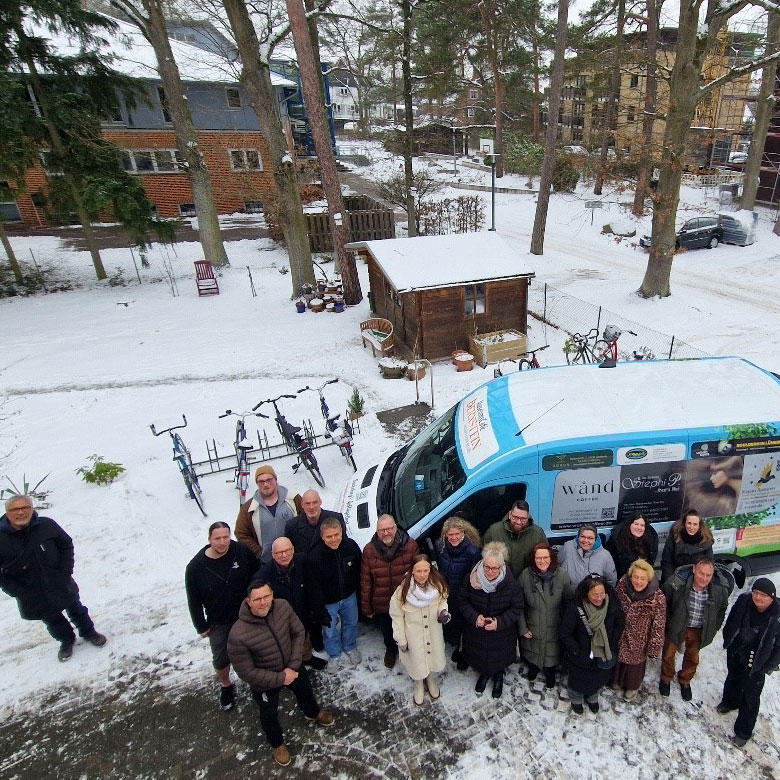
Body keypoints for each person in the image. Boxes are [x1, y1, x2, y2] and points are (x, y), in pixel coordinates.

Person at [227, 580, 335, 768]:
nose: (263, 602)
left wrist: (293, 666)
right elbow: (246, 672)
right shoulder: (237, 634)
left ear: (272, 595)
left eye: (267, 596)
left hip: (292, 666)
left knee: (306, 692)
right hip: (265, 682)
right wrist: (281, 678)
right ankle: (277, 744)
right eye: (258, 599)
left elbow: (298, 632)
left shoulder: (283, 607)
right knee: (268, 714)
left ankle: (313, 713)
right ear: (248, 601)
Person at [0, 495, 107, 662]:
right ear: (7, 513)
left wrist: (65, 571)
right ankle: (66, 640)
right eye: (15, 509)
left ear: (32, 509)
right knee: (52, 619)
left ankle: (89, 632)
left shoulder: (46, 525)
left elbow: (66, 545)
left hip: (59, 580)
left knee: (77, 609)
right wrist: (18, 591)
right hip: (30, 591)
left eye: (25, 507)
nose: (20, 512)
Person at [185, 521, 258, 710]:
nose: (222, 542)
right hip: (219, 619)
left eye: (226, 537)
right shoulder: (195, 567)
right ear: (209, 539)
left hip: (246, 613)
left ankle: (256, 681)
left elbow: (257, 575)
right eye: (217, 538)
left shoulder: (242, 551)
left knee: (254, 649)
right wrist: (200, 625)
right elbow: (193, 599)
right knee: (221, 657)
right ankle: (225, 684)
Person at [717, 578, 780, 747]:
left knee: (750, 696)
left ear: (772, 597)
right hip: (737, 650)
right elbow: (732, 620)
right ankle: (730, 702)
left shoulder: (777, 616)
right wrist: (729, 639)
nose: (758, 598)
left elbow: (779, 648)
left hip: (758, 661)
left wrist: (767, 666)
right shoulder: (744, 600)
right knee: (733, 678)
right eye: (756, 593)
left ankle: (743, 732)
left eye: (763, 595)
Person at [660, 557, 733, 700]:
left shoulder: (720, 589)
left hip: (698, 630)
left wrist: (714, 627)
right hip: (677, 625)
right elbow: (663, 601)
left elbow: (722, 609)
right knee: (668, 653)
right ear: (694, 569)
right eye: (701, 573)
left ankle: (685, 680)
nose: (704, 578)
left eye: (708, 575)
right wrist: (667, 622)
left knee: (692, 657)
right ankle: (666, 677)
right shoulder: (677, 582)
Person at [457, 541, 523, 698]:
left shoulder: (511, 584)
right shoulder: (471, 579)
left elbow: (517, 607)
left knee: (500, 656)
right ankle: (484, 674)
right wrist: (475, 617)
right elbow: (462, 601)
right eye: (487, 567)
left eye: (494, 568)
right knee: (479, 655)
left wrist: (499, 622)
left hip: (502, 632)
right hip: (477, 630)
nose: (490, 571)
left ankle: (499, 675)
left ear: (501, 567)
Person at [257, 537, 326, 670]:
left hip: (301, 609)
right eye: (279, 553)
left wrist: (318, 610)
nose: (284, 555)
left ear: (293, 550)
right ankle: (291, 665)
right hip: (279, 617)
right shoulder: (263, 576)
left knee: (303, 635)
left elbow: (313, 586)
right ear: (272, 555)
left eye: (287, 550)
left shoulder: (302, 561)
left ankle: (306, 657)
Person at [390, 555, 451, 705]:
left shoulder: (437, 586)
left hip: (433, 632)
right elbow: (396, 616)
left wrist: (443, 611)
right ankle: (418, 683)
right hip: (414, 635)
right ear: (412, 571)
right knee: (417, 661)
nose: (422, 575)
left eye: (426, 570)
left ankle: (430, 678)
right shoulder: (403, 591)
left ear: (430, 570)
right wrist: (401, 639)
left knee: (431, 657)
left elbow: (443, 601)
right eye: (418, 571)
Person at [559, 575, 625, 714]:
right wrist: (576, 650)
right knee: (578, 679)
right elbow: (565, 632)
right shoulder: (576, 608)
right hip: (581, 654)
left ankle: (592, 695)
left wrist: (610, 643)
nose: (599, 598)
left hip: (602, 653)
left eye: (602, 593)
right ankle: (576, 698)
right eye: (595, 594)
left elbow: (619, 624)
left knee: (597, 678)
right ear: (586, 593)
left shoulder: (612, 606)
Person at [360, 514, 419, 669]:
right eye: (382, 530)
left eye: (389, 529)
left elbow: (418, 574)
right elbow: (366, 581)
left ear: (395, 528)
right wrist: (367, 607)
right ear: (377, 531)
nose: (386, 533)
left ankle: (410, 652)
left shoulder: (411, 546)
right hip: (382, 601)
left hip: (405, 600)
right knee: (387, 630)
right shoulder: (369, 550)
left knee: (408, 629)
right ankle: (391, 650)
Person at [305, 518, 362, 666]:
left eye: (336, 534)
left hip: (349, 596)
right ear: (322, 536)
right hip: (328, 602)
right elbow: (313, 587)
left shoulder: (351, 546)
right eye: (329, 536)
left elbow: (359, 569)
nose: (333, 539)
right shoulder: (314, 556)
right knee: (329, 630)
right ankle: (334, 653)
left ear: (342, 532)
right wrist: (319, 609)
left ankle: (349, 646)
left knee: (351, 623)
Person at [517, 541, 574, 689]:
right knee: (533, 652)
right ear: (533, 559)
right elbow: (518, 605)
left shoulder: (562, 575)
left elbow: (569, 602)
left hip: (554, 625)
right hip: (532, 624)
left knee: (551, 655)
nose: (542, 561)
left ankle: (550, 672)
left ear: (551, 558)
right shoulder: (525, 576)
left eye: (545, 557)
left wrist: (565, 626)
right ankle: (534, 667)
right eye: (538, 558)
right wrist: (523, 627)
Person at [612, 559, 666, 701]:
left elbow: (659, 625)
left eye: (643, 578)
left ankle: (632, 687)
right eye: (636, 577)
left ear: (648, 580)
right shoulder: (622, 586)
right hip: (620, 633)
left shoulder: (658, 597)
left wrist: (654, 647)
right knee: (618, 661)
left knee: (634, 668)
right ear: (631, 577)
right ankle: (616, 681)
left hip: (639, 639)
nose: (638, 581)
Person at [434, 516, 481, 669]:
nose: (453, 537)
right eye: (450, 534)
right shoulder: (440, 546)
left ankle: (462, 649)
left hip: (462, 593)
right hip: (445, 592)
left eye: (457, 534)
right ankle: (451, 640)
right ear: (445, 535)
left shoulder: (472, 551)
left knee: (463, 623)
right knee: (449, 620)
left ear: (463, 533)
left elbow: (473, 575)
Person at [235, 466, 298, 564]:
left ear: (276, 480)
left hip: (294, 558)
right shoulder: (249, 508)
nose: (265, 484)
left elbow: (306, 519)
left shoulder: (293, 499)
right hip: (267, 562)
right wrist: (259, 552)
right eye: (261, 481)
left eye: (269, 480)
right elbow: (241, 533)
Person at [482, 500, 547, 578]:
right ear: (510, 514)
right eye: (515, 517)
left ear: (528, 517)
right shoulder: (493, 532)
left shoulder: (538, 534)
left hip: (527, 581)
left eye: (523, 519)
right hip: (501, 581)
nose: (518, 522)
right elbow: (483, 559)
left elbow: (547, 560)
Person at [284, 489, 345, 556]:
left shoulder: (336, 518)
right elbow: (289, 553)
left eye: (315, 502)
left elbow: (345, 545)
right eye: (307, 503)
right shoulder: (292, 525)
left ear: (320, 502)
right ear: (302, 505)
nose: (311, 507)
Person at [660, 509, 714, 583]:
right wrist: (671, 583)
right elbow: (667, 563)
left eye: (695, 524)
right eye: (689, 523)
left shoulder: (706, 539)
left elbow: (709, 564)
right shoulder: (675, 536)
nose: (691, 527)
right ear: (684, 523)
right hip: (677, 577)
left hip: (698, 578)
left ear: (699, 526)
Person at [559, 523, 617, 588]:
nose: (586, 541)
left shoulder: (605, 555)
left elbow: (610, 581)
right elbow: (557, 567)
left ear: (595, 539)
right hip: (568, 593)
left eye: (590, 538)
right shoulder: (568, 547)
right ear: (578, 536)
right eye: (583, 536)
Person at [605, 513, 659, 579]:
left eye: (642, 525)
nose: (639, 528)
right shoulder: (618, 540)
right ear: (629, 525)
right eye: (636, 524)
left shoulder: (650, 540)